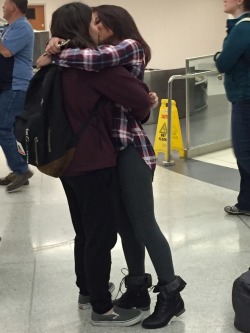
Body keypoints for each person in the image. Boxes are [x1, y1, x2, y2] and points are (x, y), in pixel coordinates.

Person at [42, 4, 187, 330]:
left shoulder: (125, 49)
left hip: (129, 148)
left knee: (144, 224)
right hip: (108, 150)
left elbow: (105, 71)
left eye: (97, 21)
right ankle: (137, 288)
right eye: (90, 22)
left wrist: (56, 51)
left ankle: (171, 294)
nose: (93, 26)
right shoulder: (98, 55)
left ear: (111, 24)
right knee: (125, 226)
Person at [215, 0, 250, 216]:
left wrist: (218, 56)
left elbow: (223, 63)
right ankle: (246, 202)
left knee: (244, 153)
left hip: (245, 99)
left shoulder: (243, 28)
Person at [0, 0, 34, 192]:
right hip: (9, 85)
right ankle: (19, 169)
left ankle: (21, 169)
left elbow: (5, 51)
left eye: (5, 4)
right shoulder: (11, 27)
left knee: (2, 129)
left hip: (15, 85)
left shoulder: (22, 26)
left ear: (13, 6)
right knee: (11, 130)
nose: (3, 7)